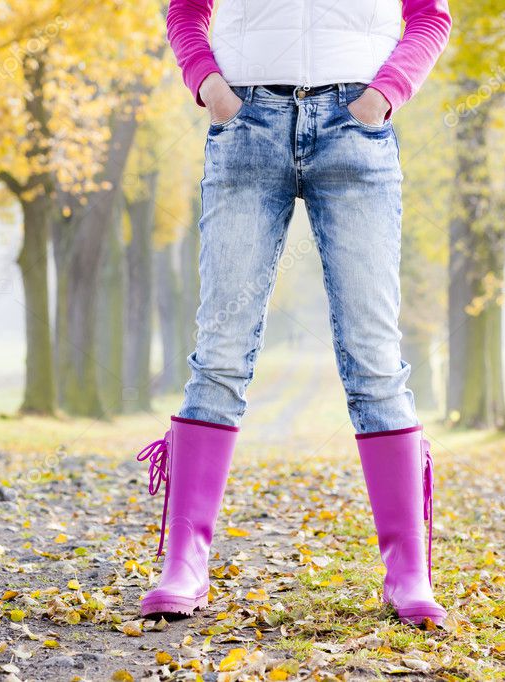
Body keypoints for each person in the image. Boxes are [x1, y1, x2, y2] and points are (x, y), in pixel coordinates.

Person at [135, 0, 452, 628]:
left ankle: (409, 573)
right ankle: (185, 563)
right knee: (221, 350)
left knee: (375, 358)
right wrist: (212, 88)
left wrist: (383, 95)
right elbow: (186, 9)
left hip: (355, 124)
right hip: (247, 120)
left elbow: (430, 16)